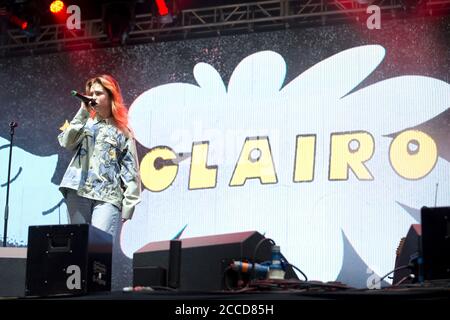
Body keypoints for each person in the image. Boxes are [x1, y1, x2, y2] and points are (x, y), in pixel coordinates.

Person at [58, 74, 141, 239]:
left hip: (107, 196)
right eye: (91, 93)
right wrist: (83, 111)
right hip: (78, 191)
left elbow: (130, 170)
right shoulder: (84, 122)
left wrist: (129, 204)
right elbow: (67, 142)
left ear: (111, 96)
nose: (93, 97)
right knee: (77, 246)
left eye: (98, 93)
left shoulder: (123, 131)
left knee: (98, 249)